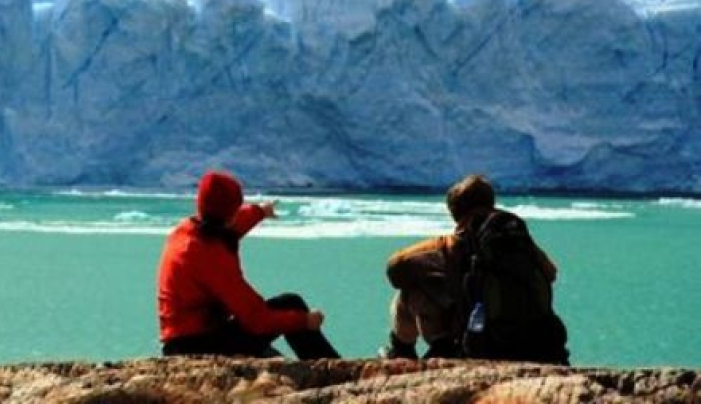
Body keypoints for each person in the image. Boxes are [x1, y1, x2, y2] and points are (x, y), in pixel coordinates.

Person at [380, 173, 568, 364]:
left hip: (478, 345)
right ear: (492, 203)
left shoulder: (449, 245)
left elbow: (395, 269)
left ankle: (405, 351)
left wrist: (439, 278)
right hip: (538, 345)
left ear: (454, 212)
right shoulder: (519, 240)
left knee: (411, 291)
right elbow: (551, 273)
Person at [157, 169, 340, 358]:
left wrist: (260, 211)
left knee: (274, 357)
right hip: (194, 347)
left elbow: (233, 225)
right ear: (229, 213)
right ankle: (336, 371)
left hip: (184, 340)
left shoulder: (190, 230)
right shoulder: (208, 255)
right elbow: (255, 318)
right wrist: (304, 321)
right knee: (290, 304)